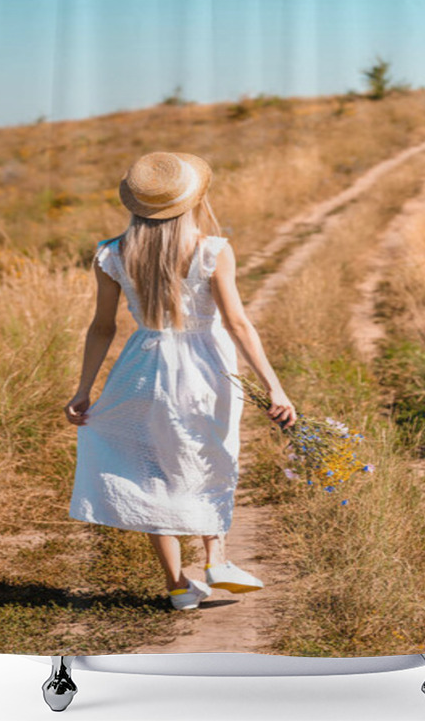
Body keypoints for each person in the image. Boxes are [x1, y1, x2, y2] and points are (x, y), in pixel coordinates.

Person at [64, 151, 297, 611]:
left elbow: (102, 327)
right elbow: (238, 324)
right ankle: (216, 559)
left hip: (142, 365)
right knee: (208, 455)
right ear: (192, 199)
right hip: (205, 367)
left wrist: (84, 388)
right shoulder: (212, 250)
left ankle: (177, 585)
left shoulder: (111, 254)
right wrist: (274, 386)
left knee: (149, 468)